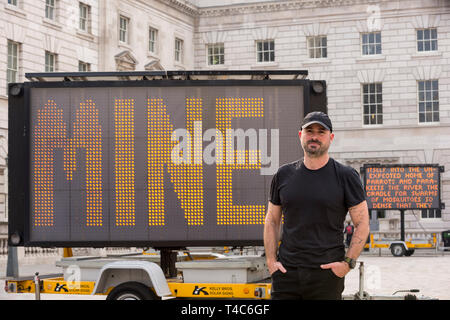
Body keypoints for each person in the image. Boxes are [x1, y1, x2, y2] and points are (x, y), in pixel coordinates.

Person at [264, 111, 370, 300]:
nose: (314, 136)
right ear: (300, 135)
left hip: (327, 275)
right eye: (309, 131)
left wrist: (347, 264)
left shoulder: (346, 176)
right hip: (286, 274)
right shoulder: (283, 175)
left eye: (321, 132)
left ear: (331, 137)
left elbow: (362, 223)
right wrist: (272, 262)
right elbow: (272, 220)